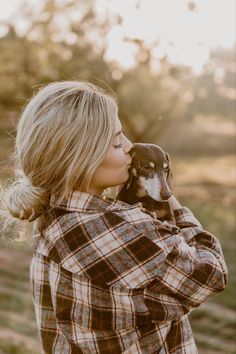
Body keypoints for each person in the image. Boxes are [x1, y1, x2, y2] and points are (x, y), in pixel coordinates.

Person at [2, 81, 228, 353]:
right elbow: (212, 272)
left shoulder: (51, 217)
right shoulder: (122, 232)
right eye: (117, 142)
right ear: (81, 157)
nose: (130, 148)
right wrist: (173, 206)